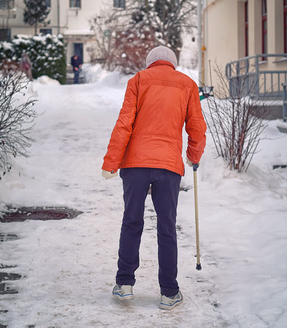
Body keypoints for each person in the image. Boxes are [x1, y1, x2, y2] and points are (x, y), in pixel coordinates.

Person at [101, 46, 207, 310]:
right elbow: (197, 127)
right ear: (171, 63)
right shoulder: (187, 85)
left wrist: (111, 162)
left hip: (135, 165)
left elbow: (124, 123)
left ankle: (124, 284)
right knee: (167, 228)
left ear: (150, 63)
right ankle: (169, 292)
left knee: (132, 221)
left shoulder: (138, 80)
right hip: (169, 167)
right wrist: (194, 156)